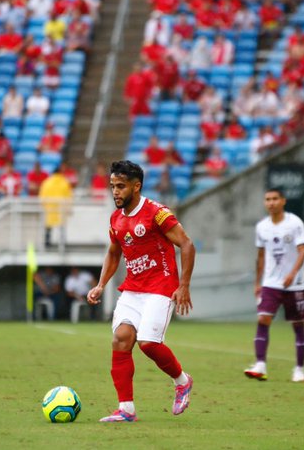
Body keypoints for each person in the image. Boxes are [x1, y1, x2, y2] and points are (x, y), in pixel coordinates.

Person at [86, 160, 195, 422]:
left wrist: (184, 286)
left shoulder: (157, 213)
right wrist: (101, 284)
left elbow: (187, 244)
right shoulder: (116, 219)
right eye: (113, 186)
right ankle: (126, 409)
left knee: (148, 344)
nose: (115, 192)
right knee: (121, 339)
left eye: (121, 186)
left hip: (161, 285)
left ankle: (182, 381)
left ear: (137, 186)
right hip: (133, 289)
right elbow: (114, 253)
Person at [244, 188, 304, 382]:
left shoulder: (294, 223)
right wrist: (258, 283)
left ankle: (299, 368)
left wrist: (292, 274)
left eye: (274, 199)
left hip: (295, 284)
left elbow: (303, 251)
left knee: (298, 324)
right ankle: (261, 364)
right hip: (271, 283)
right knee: (263, 319)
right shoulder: (262, 227)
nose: (271, 202)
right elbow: (261, 256)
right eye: (267, 199)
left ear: (283, 201)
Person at [38, 162, 73, 247]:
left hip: (49, 209)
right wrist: (69, 208)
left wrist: (43, 206)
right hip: (61, 209)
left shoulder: (46, 183)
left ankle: (47, 243)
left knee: (48, 227)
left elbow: (42, 196)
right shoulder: (65, 182)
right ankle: (62, 244)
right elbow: (69, 196)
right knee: (62, 227)